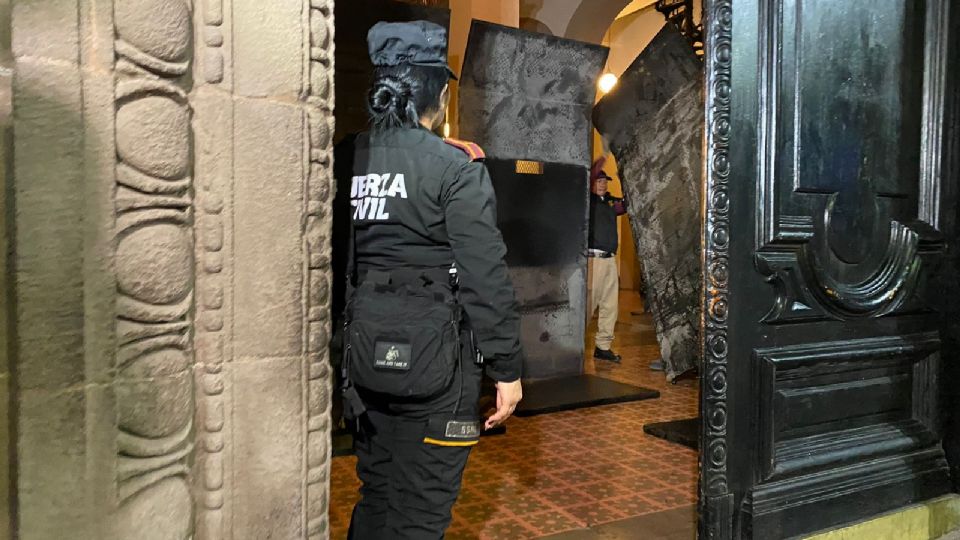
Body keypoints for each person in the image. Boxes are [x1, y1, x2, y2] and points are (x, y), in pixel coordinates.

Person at [333, 20, 524, 539]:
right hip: (440, 372)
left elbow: (333, 262)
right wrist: (506, 367)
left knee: (376, 494)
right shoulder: (456, 168)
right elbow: (485, 276)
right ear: (437, 92)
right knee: (422, 510)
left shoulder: (346, 158)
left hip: (364, 360)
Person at [587, 161, 627, 363]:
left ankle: (603, 346)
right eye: (599, 181)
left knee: (610, 305)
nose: (602, 184)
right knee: (589, 304)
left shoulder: (611, 203)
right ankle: (573, 345)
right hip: (593, 260)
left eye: (604, 181)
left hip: (610, 259)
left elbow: (625, 205)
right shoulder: (587, 203)